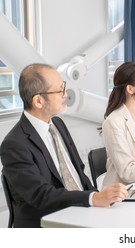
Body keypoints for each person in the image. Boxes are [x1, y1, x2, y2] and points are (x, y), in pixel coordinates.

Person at [0, 63, 128, 228]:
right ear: (38, 101)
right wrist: (92, 199)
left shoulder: (58, 124)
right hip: (49, 224)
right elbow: (41, 195)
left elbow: (79, 174)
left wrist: (97, 198)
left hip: (84, 213)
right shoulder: (14, 145)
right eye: (59, 90)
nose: (65, 94)